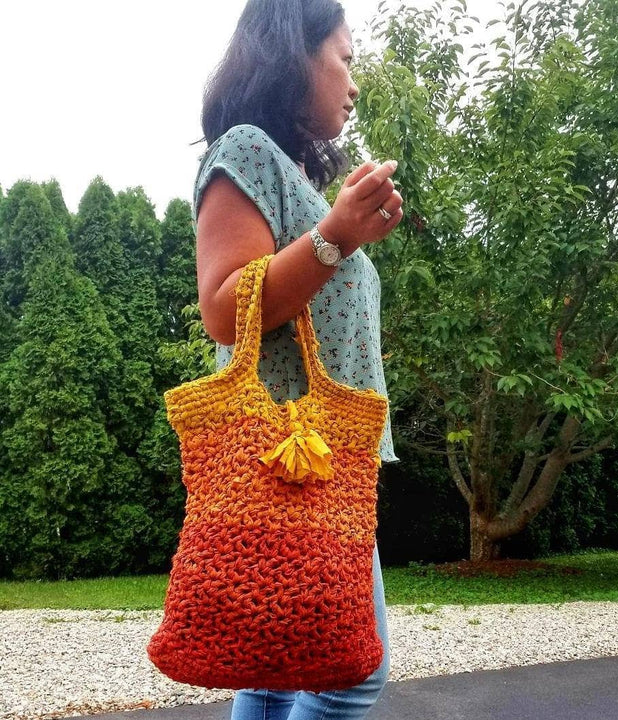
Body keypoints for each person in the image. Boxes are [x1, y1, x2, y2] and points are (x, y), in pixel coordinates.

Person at [192, 0, 403, 718]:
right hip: (293, 457)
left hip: (324, 451)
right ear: (294, 53)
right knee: (352, 673)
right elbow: (225, 307)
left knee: (273, 672)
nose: (353, 82)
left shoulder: (296, 179)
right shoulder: (245, 149)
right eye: (344, 58)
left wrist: (341, 229)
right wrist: (337, 235)